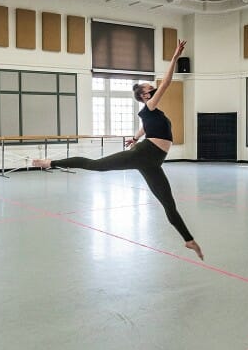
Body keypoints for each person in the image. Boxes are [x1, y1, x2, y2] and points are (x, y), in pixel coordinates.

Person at [32, 40, 203, 260]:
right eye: (149, 88)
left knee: (168, 203)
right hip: (144, 154)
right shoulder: (150, 105)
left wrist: (134, 137)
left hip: (153, 162)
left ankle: (188, 240)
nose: (152, 87)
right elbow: (167, 82)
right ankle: (50, 163)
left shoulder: (152, 112)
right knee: (95, 165)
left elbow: (145, 127)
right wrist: (174, 57)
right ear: (144, 95)